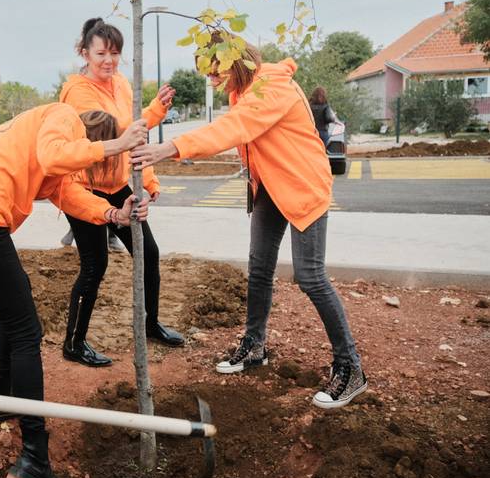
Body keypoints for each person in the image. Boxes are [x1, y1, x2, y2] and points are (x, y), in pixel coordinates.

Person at [131, 33, 368, 409]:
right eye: (205, 71)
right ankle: (255, 346)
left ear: (234, 60)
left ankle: (350, 367)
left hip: (303, 186)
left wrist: (168, 147)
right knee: (259, 268)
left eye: (214, 70)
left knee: (310, 276)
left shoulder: (270, 89)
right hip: (270, 188)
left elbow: (230, 130)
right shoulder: (242, 91)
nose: (210, 78)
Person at [0, 104, 148, 478]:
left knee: (13, 301)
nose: (89, 174)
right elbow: (57, 156)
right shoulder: (63, 116)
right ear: (88, 138)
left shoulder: (43, 139)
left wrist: (113, 215)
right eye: (93, 161)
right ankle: (34, 458)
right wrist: (116, 145)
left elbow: (67, 193)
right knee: (27, 330)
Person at [58, 17, 184, 368]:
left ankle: (150, 324)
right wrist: (154, 113)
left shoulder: (121, 84)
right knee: (94, 265)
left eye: (115, 53)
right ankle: (73, 342)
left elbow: (135, 140)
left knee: (149, 253)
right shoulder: (77, 92)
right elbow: (113, 131)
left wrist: (150, 181)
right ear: (84, 52)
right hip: (84, 187)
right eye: (101, 53)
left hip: (117, 184)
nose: (109, 61)